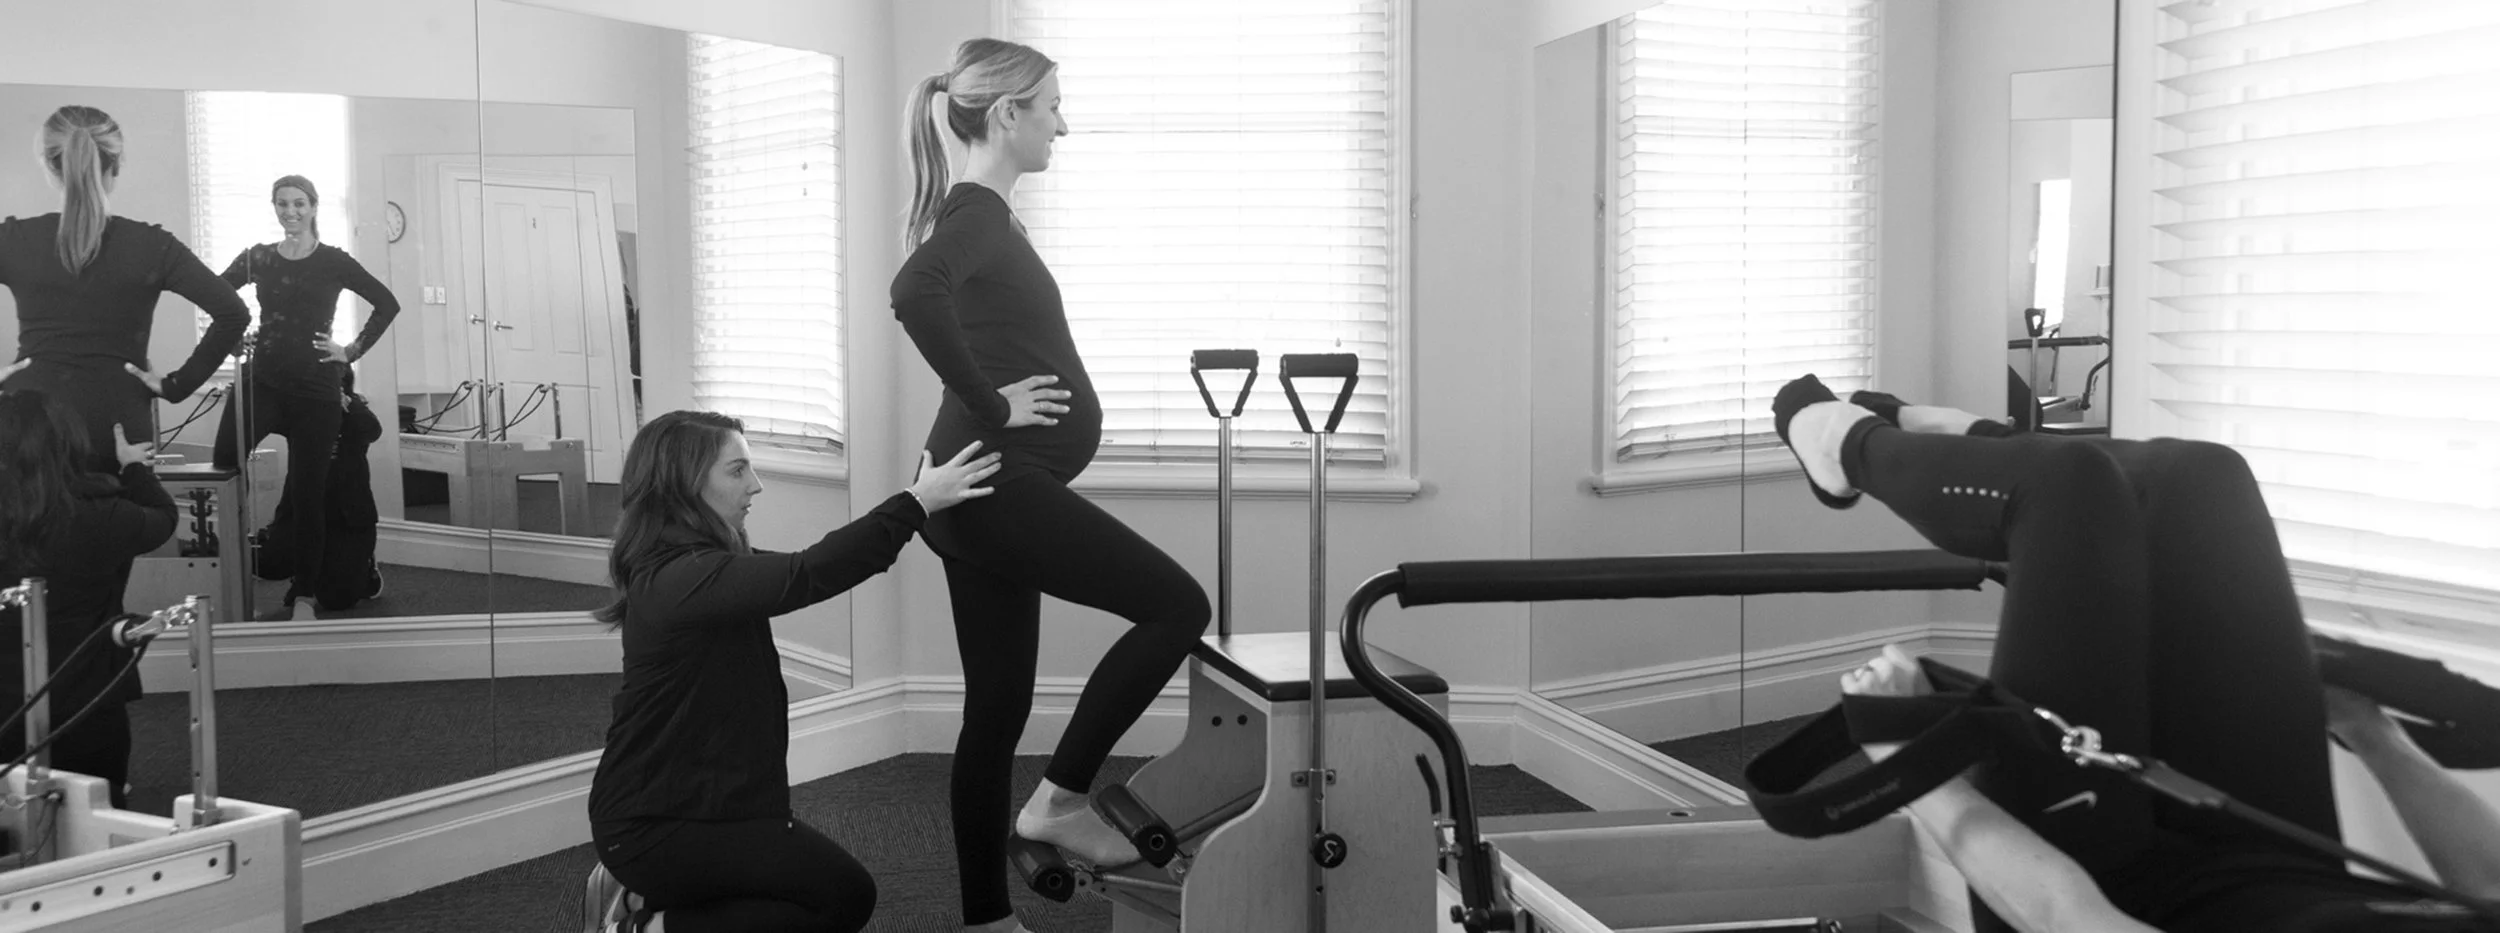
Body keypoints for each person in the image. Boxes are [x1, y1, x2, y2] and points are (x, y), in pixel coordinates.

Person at [1772, 374, 2500, 933]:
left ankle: (1847, 448)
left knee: (2064, 486)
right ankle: (1980, 440)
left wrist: (1902, 754)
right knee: (2205, 476)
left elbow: (2065, 915)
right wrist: (2371, 729)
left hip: (2107, 889)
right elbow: (2489, 887)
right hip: (2286, 858)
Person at [892, 38, 1215, 933]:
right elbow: (914, 292)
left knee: (995, 712)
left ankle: (986, 919)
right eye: (1052, 108)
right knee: (1178, 606)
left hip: (974, 492)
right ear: (1007, 114)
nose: (1061, 126)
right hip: (994, 486)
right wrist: (991, 402)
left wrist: (986, 401)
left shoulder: (985, 215)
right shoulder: (979, 215)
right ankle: (1061, 801)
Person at [581, 410, 1004, 933]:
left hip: (704, 805)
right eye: (737, 470)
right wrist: (916, 503)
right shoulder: (680, 577)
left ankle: (640, 896)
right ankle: (640, 927)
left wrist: (909, 513)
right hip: (657, 826)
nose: (755, 485)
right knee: (843, 899)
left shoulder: (697, 560)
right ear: (683, 484)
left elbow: (816, 566)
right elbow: (809, 573)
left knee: (803, 893)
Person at [1, 105, 249, 473]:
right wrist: (177, 386)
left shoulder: (13, 239)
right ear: (116, 165)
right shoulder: (154, 246)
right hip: (119, 422)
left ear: (50, 166)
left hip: (31, 421)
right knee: (128, 510)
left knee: (33, 512)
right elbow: (233, 314)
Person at [209, 174, 402, 622]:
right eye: (282, 203)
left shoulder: (333, 260)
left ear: (314, 207)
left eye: (299, 203)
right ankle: (232, 575)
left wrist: (350, 351)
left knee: (308, 492)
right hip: (263, 381)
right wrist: (234, 337)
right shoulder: (258, 257)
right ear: (274, 207)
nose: (290, 211)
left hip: (315, 388)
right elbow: (215, 294)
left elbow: (387, 303)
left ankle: (305, 595)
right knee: (224, 464)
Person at [0, 390, 175, 810]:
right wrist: (135, 468)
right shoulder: (103, 517)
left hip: (6, 710)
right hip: (86, 708)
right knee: (95, 816)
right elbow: (164, 517)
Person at [250, 367, 385, 613]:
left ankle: (363, 568)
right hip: (300, 508)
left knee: (337, 601)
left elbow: (372, 430)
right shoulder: (299, 409)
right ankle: (304, 576)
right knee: (269, 564)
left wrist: (342, 401)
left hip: (346, 513)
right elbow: (263, 421)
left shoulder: (354, 408)